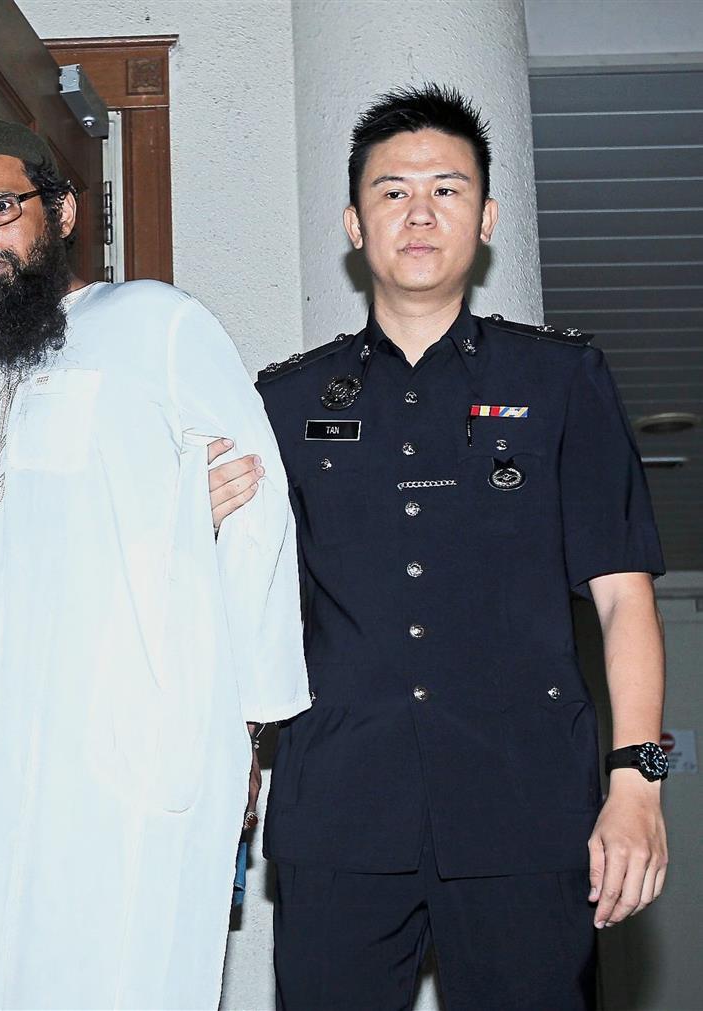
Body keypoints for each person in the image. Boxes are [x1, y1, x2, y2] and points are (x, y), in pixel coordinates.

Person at [210, 84, 668, 1010]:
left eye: (447, 190)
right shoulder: (282, 403)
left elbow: (624, 597)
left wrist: (637, 784)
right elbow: (242, 608)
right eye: (393, 191)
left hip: (527, 806)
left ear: (486, 218)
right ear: (355, 223)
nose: (419, 213)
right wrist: (196, 527)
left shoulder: (562, 378)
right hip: (338, 806)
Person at [0, 120, 308, 1011]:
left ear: (61, 212)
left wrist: (245, 723)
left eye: (0, 207)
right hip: (1, 757)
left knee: (125, 973)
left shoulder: (156, 322)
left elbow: (258, 510)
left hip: (135, 737)